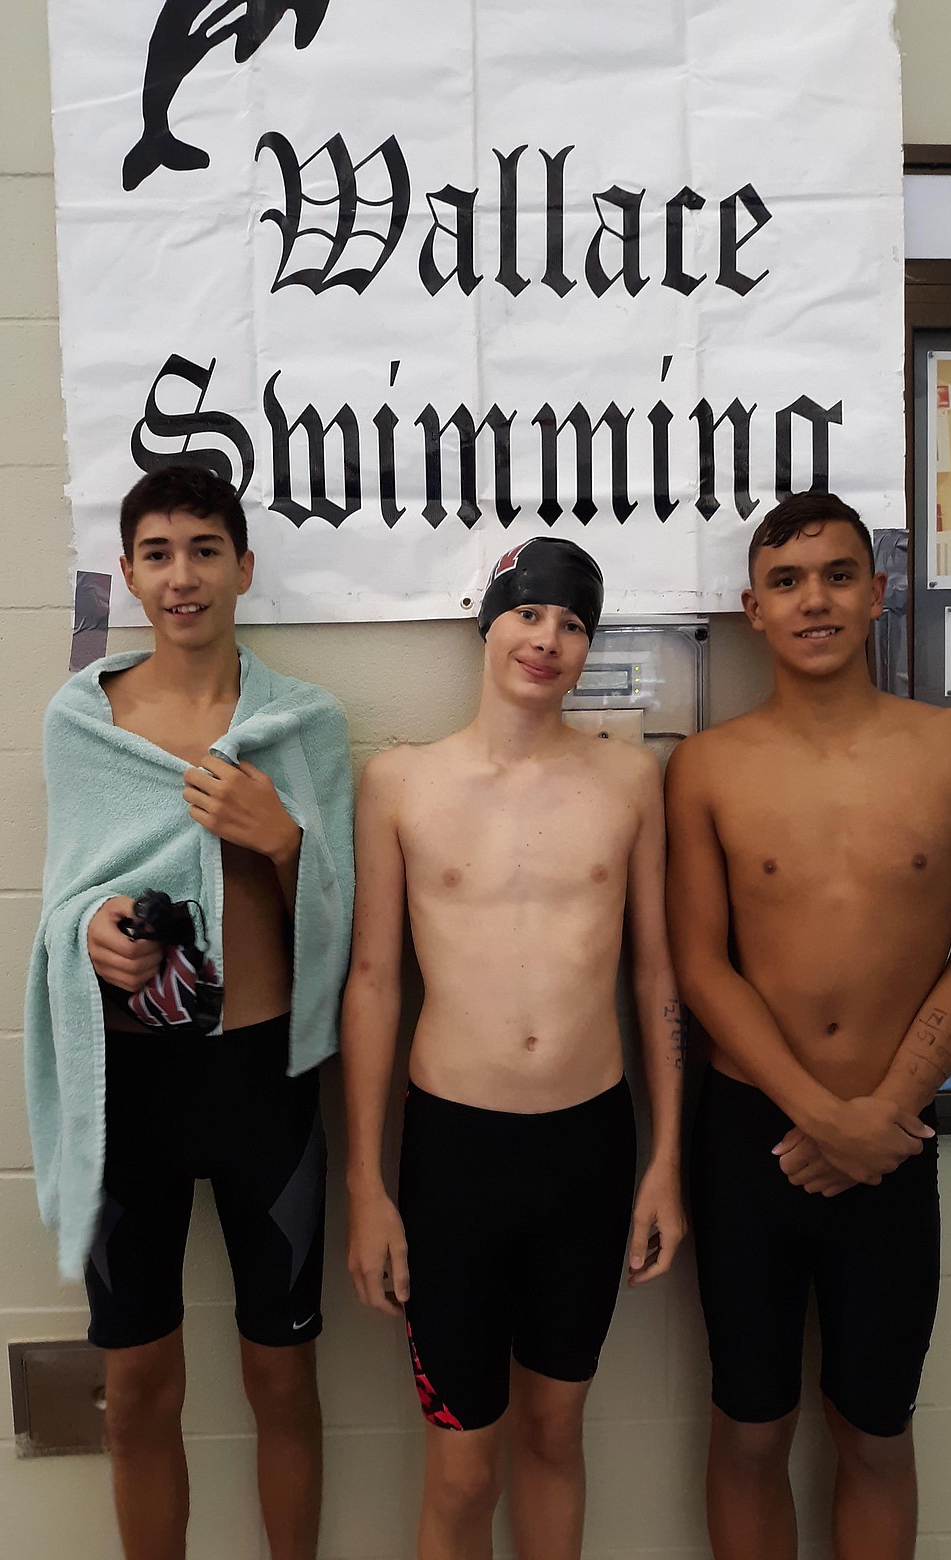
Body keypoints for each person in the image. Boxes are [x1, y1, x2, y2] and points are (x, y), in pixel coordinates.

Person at [665, 492, 951, 1560]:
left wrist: (883, 1114)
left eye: (836, 575)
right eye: (786, 581)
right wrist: (821, 1113)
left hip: (894, 1145)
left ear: (877, 592)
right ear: (751, 610)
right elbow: (700, 965)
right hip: (749, 1141)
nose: (813, 599)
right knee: (751, 1431)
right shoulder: (707, 767)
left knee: (874, 1433)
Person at [24, 465, 355, 1560]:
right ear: (127, 574)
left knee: (282, 1375)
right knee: (140, 1380)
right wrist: (92, 933)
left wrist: (282, 837)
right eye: (158, 554)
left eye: (205, 549)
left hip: (263, 1083)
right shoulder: (82, 722)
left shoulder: (301, 726)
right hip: (131, 1092)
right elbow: (64, 898)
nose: (183, 576)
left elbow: (346, 913)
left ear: (243, 567)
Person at [341, 537, 686, 1560]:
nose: (549, 638)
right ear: (486, 619)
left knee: (554, 1433)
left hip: (589, 1149)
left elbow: (656, 977)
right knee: (461, 1464)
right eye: (530, 612)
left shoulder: (630, 781)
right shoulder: (400, 783)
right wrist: (367, 1183)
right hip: (454, 1157)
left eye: (575, 622)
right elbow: (372, 982)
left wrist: (664, 1162)